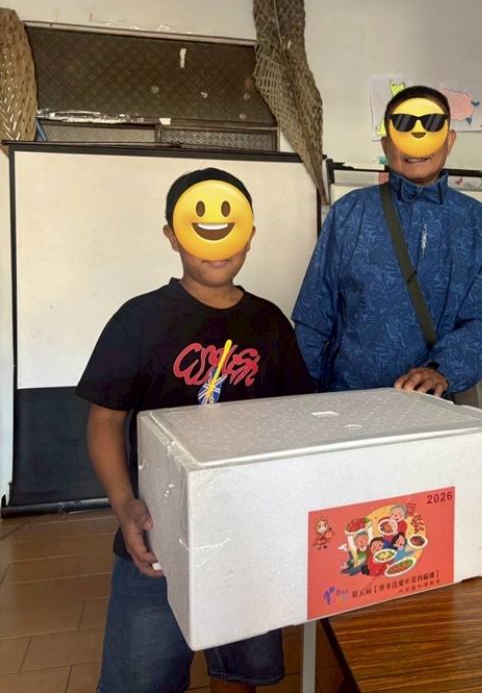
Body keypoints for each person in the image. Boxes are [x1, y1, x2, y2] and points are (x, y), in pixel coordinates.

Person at [77, 168, 315, 693]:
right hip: (158, 534)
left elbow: (294, 419)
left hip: (246, 533)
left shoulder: (270, 323)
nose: (217, 242)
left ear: (249, 235)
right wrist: (124, 505)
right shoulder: (139, 319)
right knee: (140, 679)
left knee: (242, 673)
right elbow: (105, 420)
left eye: (233, 225)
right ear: (172, 235)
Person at [293, 85, 482, 398]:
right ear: (386, 143)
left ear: (449, 140)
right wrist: (306, 394)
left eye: (431, 126)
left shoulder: (481, 225)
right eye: (403, 127)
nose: (416, 141)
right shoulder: (349, 213)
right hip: (349, 398)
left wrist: (441, 370)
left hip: (435, 402)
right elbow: (314, 313)